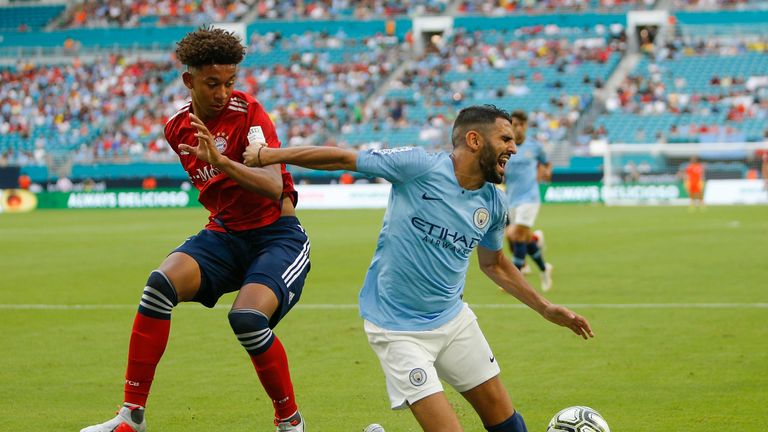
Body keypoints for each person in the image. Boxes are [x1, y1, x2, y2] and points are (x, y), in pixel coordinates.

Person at [242, 105, 594, 432]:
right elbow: (342, 158)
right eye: (505, 139)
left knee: (509, 426)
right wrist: (268, 155)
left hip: (454, 322)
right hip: (397, 330)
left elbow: (494, 263)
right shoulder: (419, 166)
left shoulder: (494, 202)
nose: (513, 148)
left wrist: (545, 308)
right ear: (474, 140)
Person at [81, 27, 309, 432]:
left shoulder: (250, 113)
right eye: (212, 83)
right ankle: (130, 417)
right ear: (189, 81)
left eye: (230, 82)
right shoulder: (176, 128)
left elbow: (275, 186)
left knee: (248, 319)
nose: (223, 93)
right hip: (225, 234)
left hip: (277, 235)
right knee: (158, 286)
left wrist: (221, 161)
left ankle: (290, 422)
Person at [503, 110, 553, 292]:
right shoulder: (505, 147)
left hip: (530, 198)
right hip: (511, 199)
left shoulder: (535, 147)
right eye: (513, 125)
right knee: (516, 237)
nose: (517, 128)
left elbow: (546, 163)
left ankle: (514, 280)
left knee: (515, 234)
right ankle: (543, 265)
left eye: (520, 125)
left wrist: (545, 173)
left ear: (525, 126)